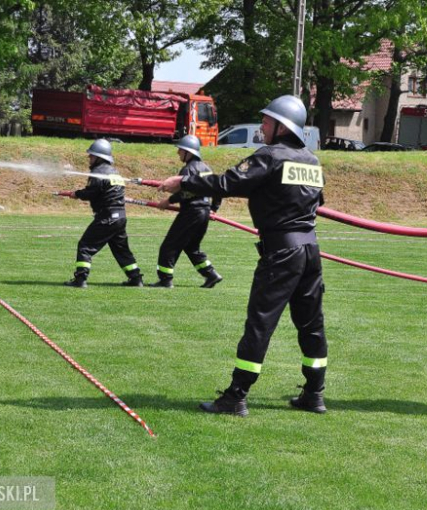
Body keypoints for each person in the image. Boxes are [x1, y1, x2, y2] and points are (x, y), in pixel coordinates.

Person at [158, 95, 328, 417]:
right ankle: (314, 393)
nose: (261, 127)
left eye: (266, 121)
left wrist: (184, 181)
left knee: (259, 325)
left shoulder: (269, 157)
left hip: (281, 253)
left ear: (282, 126)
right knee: (311, 325)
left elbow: (227, 182)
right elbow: (317, 202)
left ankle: (235, 396)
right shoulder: (312, 162)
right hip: (310, 252)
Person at [60, 139, 143, 289]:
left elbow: (92, 192)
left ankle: (80, 279)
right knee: (121, 249)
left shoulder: (98, 172)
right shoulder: (114, 172)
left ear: (99, 157)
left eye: (91, 156)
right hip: (120, 217)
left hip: (107, 217)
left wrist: (77, 193)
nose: (89, 159)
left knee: (85, 246)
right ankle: (136, 278)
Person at [149, 135, 223, 289]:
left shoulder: (188, 169)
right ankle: (211, 275)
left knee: (169, 246)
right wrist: (214, 208)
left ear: (189, 152)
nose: (178, 153)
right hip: (203, 213)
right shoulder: (207, 169)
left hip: (191, 213)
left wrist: (167, 201)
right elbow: (217, 190)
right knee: (191, 247)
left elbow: (187, 192)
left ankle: (165, 280)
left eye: (181, 150)